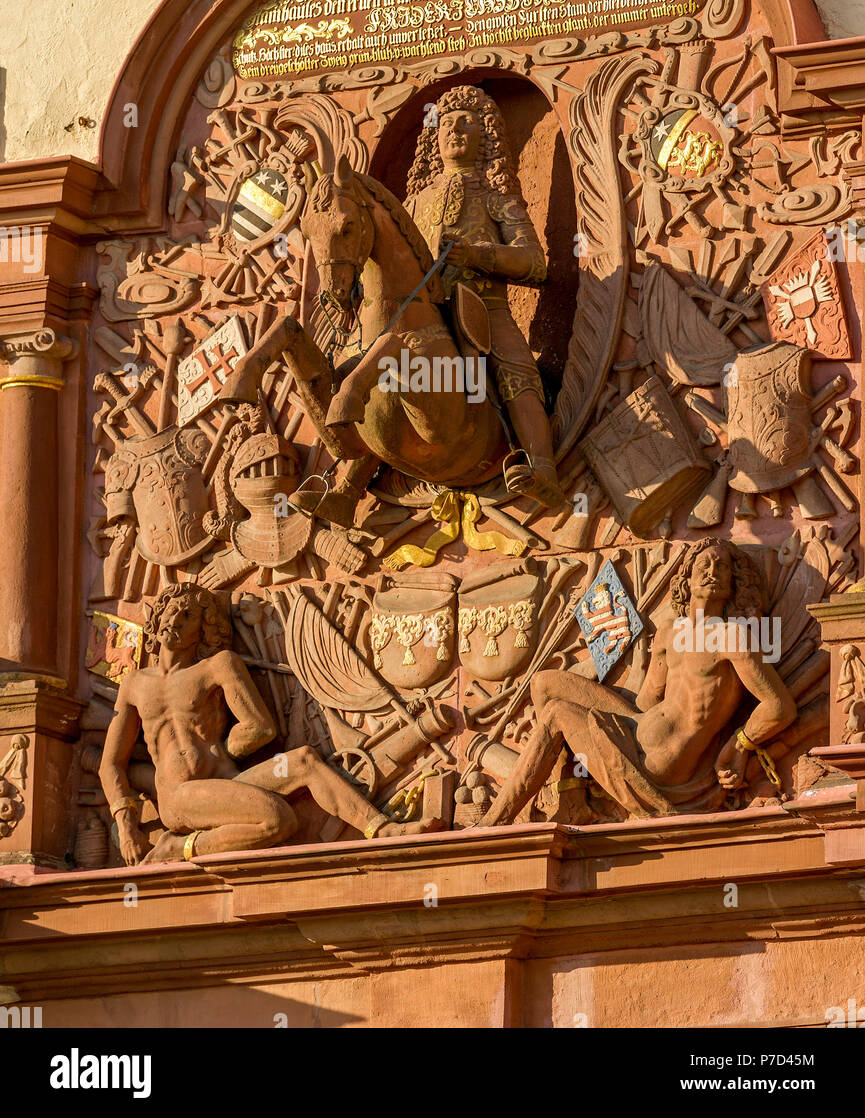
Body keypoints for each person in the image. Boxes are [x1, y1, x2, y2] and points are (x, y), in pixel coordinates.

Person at [479, 540, 797, 823]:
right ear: (688, 577)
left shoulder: (731, 636)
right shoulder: (670, 633)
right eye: (704, 564)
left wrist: (739, 746)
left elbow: (779, 706)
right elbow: (645, 703)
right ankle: (573, 795)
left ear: (734, 581)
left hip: (660, 766)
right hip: (640, 729)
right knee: (544, 684)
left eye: (721, 566)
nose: (712, 570)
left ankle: (493, 824)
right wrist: (629, 665)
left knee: (557, 714)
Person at [99, 582, 415, 863]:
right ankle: (178, 847)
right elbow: (111, 763)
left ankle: (384, 829)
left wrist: (218, 753)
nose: (174, 621)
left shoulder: (218, 666)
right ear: (158, 617)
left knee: (305, 760)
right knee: (277, 819)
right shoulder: (135, 684)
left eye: (187, 616)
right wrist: (126, 826)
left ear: (204, 629)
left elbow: (260, 727)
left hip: (227, 782)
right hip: (180, 797)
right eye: (170, 612)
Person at [404, 85, 565, 509]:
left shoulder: (495, 196)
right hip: (424, 311)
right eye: (446, 123)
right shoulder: (415, 203)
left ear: (486, 136)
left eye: (466, 123)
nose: (454, 130)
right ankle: (347, 479)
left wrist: (477, 255)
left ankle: (541, 469)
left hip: (483, 308)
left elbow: (534, 264)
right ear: (433, 137)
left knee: (518, 371)